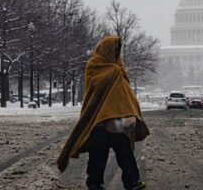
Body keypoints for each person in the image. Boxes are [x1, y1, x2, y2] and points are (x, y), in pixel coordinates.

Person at [57, 36, 150, 190]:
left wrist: (128, 110)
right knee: (98, 154)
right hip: (100, 120)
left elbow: (124, 92)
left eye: (117, 50)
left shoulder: (118, 67)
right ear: (106, 49)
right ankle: (95, 184)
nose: (116, 53)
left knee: (124, 153)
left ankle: (132, 183)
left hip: (117, 121)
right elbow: (94, 92)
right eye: (114, 49)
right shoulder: (96, 66)